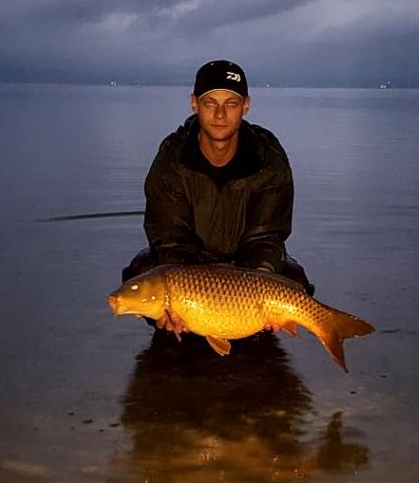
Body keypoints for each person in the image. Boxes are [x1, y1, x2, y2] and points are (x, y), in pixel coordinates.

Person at [122, 60, 314, 333]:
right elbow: (170, 236)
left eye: (231, 104)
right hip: (190, 267)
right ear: (194, 104)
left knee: (295, 281)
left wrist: (261, 276)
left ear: (246, 105)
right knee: (142, 271)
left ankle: (250, 327)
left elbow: (267, 235)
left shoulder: (267, 159)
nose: (220, 114)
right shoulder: (172, 160)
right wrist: (181, 299)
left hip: (246, 268)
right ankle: (178, 330)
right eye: (210, 103)